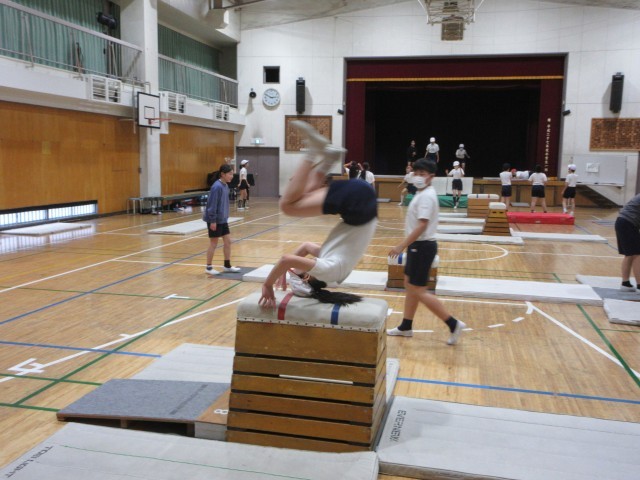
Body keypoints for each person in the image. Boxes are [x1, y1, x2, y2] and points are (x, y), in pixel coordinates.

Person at [259, 121, 378, 308]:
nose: (294, 269)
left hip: (362, 201)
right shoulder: (328, 271)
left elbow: (306, 246)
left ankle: (329, 157)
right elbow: (286, 260)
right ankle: (313, 151)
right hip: (359, 204)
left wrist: (283, 271)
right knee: (287, 206)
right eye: (297, 273)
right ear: (307, 277)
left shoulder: (331, 264)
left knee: (303, 195)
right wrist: (268, 284)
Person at [386, 158, 467, 345]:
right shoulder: (421, 193)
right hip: (418, 246)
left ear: (431, 177)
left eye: (422, 174)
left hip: (422, 247)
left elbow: (422, 225)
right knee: (409, 285)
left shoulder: (426, 197)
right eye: (416, 173)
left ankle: (453, 323)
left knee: (419, 291)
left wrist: (401, 245)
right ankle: (406, 326)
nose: (418, 177)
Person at [203, 164, 241, 275]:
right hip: (215, 220)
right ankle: (208, 267)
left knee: (228, 241)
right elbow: (212, 205)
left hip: (223, 220)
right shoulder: (217, 187)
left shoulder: (225, 186)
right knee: (213, 243)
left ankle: (227, 266)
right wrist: (213, 220)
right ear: (223, 174)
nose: (232, 176)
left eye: (232, 174)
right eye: (230, 174)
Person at [615, 194, 640, 292]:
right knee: (637, 254)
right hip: (628, 223)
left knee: (629, 254)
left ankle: (625, 284)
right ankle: (639, 285)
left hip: (622, 222)